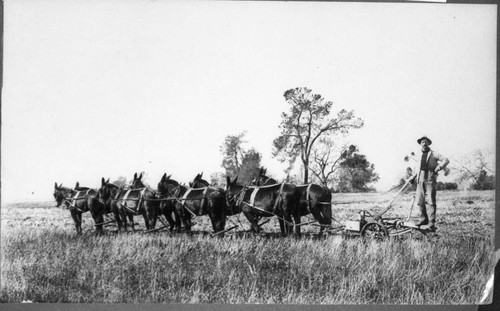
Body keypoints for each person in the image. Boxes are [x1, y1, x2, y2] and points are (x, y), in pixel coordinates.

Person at [411, 136, 449, 231]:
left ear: (429, 143)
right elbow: (417, 168)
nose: (424, 143)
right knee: (420, 200)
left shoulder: (434, 154)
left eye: (426, 142)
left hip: (430, 178)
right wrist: (414, 177)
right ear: (420, 144)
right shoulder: (419, 155)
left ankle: (431, 223)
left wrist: (438, 168)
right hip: (420, 178)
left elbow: (446, 160)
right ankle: (423, 220)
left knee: (431, 201)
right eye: (422, 142)